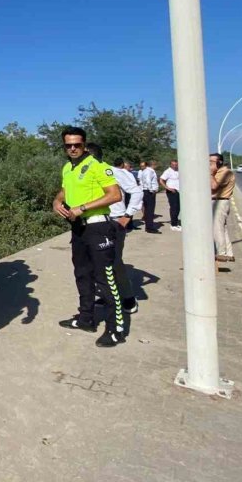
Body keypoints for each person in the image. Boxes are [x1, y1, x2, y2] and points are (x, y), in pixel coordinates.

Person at [52, 127, 126, 347]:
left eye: (77, 144)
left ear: (84, 144)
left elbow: (115, 195)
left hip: (98, 227)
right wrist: (57, 201)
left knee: (105, 279)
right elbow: (64, 192)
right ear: (64, 147)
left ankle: (116, 329)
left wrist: (82, 207)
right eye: (68, 145)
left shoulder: (97, 167)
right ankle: (86, 318)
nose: (73, 148)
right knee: (82, 275)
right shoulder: (68, 168)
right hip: (78, 230)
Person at [87, 145, 141, 315]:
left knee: (114, 262)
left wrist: (128, 215)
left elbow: (136, 191)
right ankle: (108, 295)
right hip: (92, 223)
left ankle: (128, 297)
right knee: (97, 263)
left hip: (113, 222)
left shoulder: (114, 172)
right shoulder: (83, 175)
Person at [209, 153, 236, 263]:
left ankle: (221, 253)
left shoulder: (225, 173)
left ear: (219, 162)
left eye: (211, 162)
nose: (209, 164)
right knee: (222, 228)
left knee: (217, 228)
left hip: (219, 202)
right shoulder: (219, 172)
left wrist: (210, 174)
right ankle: (229, 253)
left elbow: (214, 186)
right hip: (218, 201)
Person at [139, 160, 160, 233]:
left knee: (147, 210)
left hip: (145, 191)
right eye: (156, 165)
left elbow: (141, 181)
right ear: (153, 164)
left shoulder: (144, 171)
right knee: (150, 210)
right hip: (149, 192)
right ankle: (150, 227)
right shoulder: (150, 171)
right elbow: (148, 181)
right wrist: (151, 190)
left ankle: (148, 226)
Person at [160, 159, 181, 230]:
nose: (175, 166)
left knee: (178, 208)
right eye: (173, 165)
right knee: (174, 207)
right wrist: (167, 188)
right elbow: (161, 180)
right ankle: (173, 225)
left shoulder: (178, 170)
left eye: (176, 164)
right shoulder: (168, 171)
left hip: (178, 191)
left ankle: (175, 222)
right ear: (170, 165)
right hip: (172, 191)